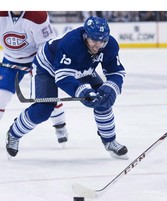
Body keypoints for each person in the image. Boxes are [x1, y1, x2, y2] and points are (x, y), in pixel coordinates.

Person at [5, 16, 128, 160]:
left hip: (81, 68)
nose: (98, 45)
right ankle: (13, 134)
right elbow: (63, 77)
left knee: (104, 99)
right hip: (47, 68)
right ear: (85, 36)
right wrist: (84, 92)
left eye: (102, 41)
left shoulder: (110, 45)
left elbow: (116, 72)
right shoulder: (71, 43)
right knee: (42, 110)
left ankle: (109, 141)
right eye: (94, 40)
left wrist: (111, 87)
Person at [0, 11, 68, 145]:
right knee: (0, 96)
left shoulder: (37, 15)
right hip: (10, 59)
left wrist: (40, 66)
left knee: (45, 98)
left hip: (37, 59)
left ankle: (60, 125)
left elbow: (47, 46)